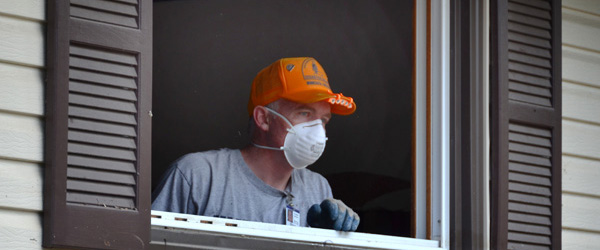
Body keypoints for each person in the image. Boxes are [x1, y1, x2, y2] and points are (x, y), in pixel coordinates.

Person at [152, 57, 360, 231]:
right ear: (264, 119)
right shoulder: (198, 176)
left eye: (323, 120)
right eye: (304, 113)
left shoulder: (317, 188)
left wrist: (330, 240)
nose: (317, 130)